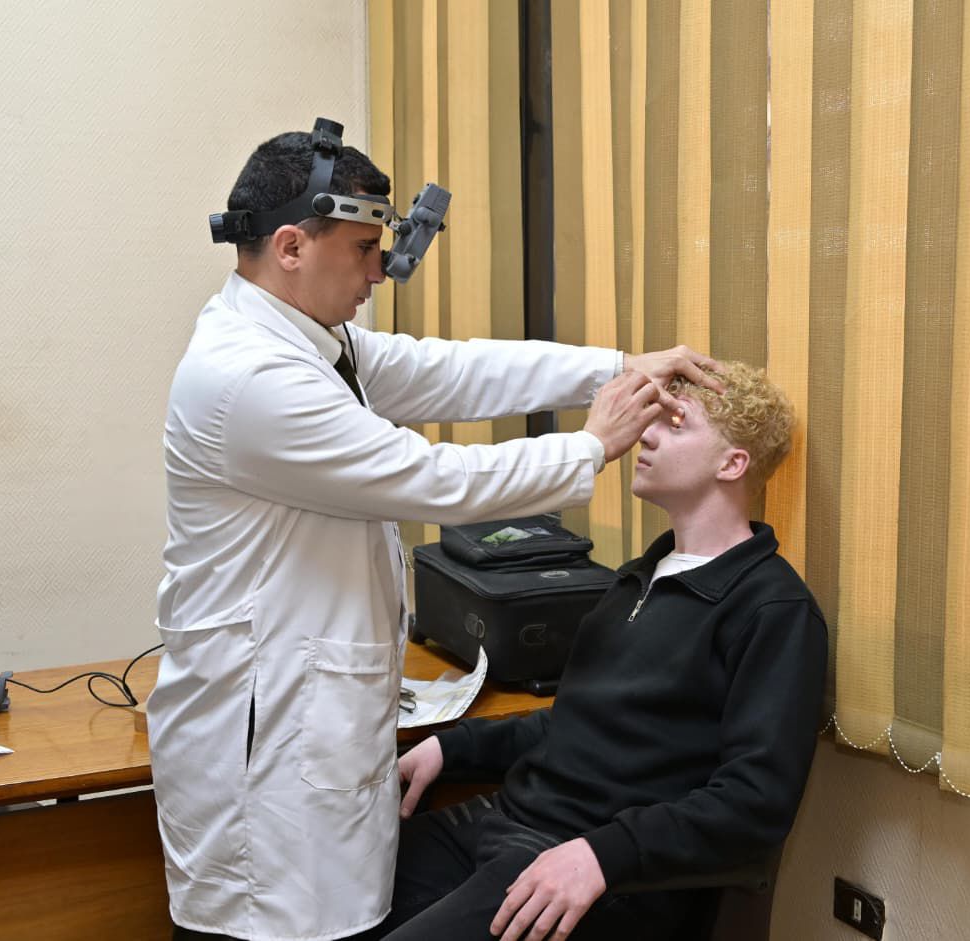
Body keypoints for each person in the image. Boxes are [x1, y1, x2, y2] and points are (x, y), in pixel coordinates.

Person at [148, 125, 721, 941]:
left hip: (314, 730)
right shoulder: (249, 379)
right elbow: (435, 480)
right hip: (263, 765)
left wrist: (618, 367)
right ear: (290, 247)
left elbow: (451, 369)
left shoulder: (315, 341)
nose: (378, 272)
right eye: (363, 250)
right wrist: (592, 445)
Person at [382, 362, 828, 941]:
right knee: (320, 902)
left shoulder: (772, 609)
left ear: (732, 464)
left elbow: (755, 803)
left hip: (596, 868)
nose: (646, 434)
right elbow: (573, 725)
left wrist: (602, 856)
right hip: (504, 823)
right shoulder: (637, 579)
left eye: (674, 425)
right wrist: (451, 747)